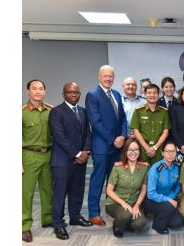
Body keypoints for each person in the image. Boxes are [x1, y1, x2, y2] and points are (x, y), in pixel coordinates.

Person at [49, 82, 93, 240]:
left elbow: (88, 133)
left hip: (80, 160)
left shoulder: (83, 111)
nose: (73, 95)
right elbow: (59, 136)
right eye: (70, 92)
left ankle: (75, 216)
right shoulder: (56, 112)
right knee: (60, 193)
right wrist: (77, 153)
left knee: (77, 190)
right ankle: (58, 224)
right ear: (63, 94)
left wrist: (85, 152)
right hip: (62, 161)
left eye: (76, 92)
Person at [85, 65, 128, 226]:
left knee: (114, 181)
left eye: (111, 76)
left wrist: (123, 136)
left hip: (117, 147)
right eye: (105, 76)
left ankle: (113, 209)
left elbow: (123, 118)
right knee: (98, 180)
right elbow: (95, 122)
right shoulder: (93, 95)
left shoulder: (116, 94)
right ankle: (93, 213)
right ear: (99, 76)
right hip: (102, 146)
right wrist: (113, 139)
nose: (108, 78)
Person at [22, 79, 53, 242]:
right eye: (34, 89)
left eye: (41, 88)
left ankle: (47, 219)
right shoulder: (21, 112)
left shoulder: (50, 111)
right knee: (26, 193)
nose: (38, 91)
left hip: (48, 154)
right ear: (28, 91)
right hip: (29, 155)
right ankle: (24, 226)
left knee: (47, 189)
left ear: (45, 91)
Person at [105, 138, 149, 238]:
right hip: (115, 203)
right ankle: (117, 226)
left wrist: (137, 205)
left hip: (133, 203)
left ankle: (125, 222)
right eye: (130, 150)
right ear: (125, 151)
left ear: (139, 151)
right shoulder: (118, 167)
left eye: (136, 150)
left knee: (140, 223)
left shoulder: (144, 168)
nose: (133, 153)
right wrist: (124, 203)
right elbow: (109, 190)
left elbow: (143, 189)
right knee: (125, 215)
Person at [144, 141, 183, 234]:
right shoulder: (155, 169)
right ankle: (158, 226)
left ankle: (160, 213)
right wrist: (168, 200)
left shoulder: (177, 167)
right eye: (167, 151)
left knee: (177, 223)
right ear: (162, 153)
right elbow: (151, 194)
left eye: (173, 151)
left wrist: (171, 197)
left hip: (169, 198)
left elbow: (178, 186)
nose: (170, 154)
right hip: (152, 200)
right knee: (168, 208)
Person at [131, 84, 171, 165]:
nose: (152, 95)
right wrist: (147, 148)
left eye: (154, 93)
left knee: (157, 173)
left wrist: (155, 147)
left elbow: (165, 132)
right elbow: (136, 131)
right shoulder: (138, 111)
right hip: (142, 148)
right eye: (149, 93)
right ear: (145, 94)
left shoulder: (164, 112)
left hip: (159, 149)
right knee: (142, 174)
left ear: (159, 94)